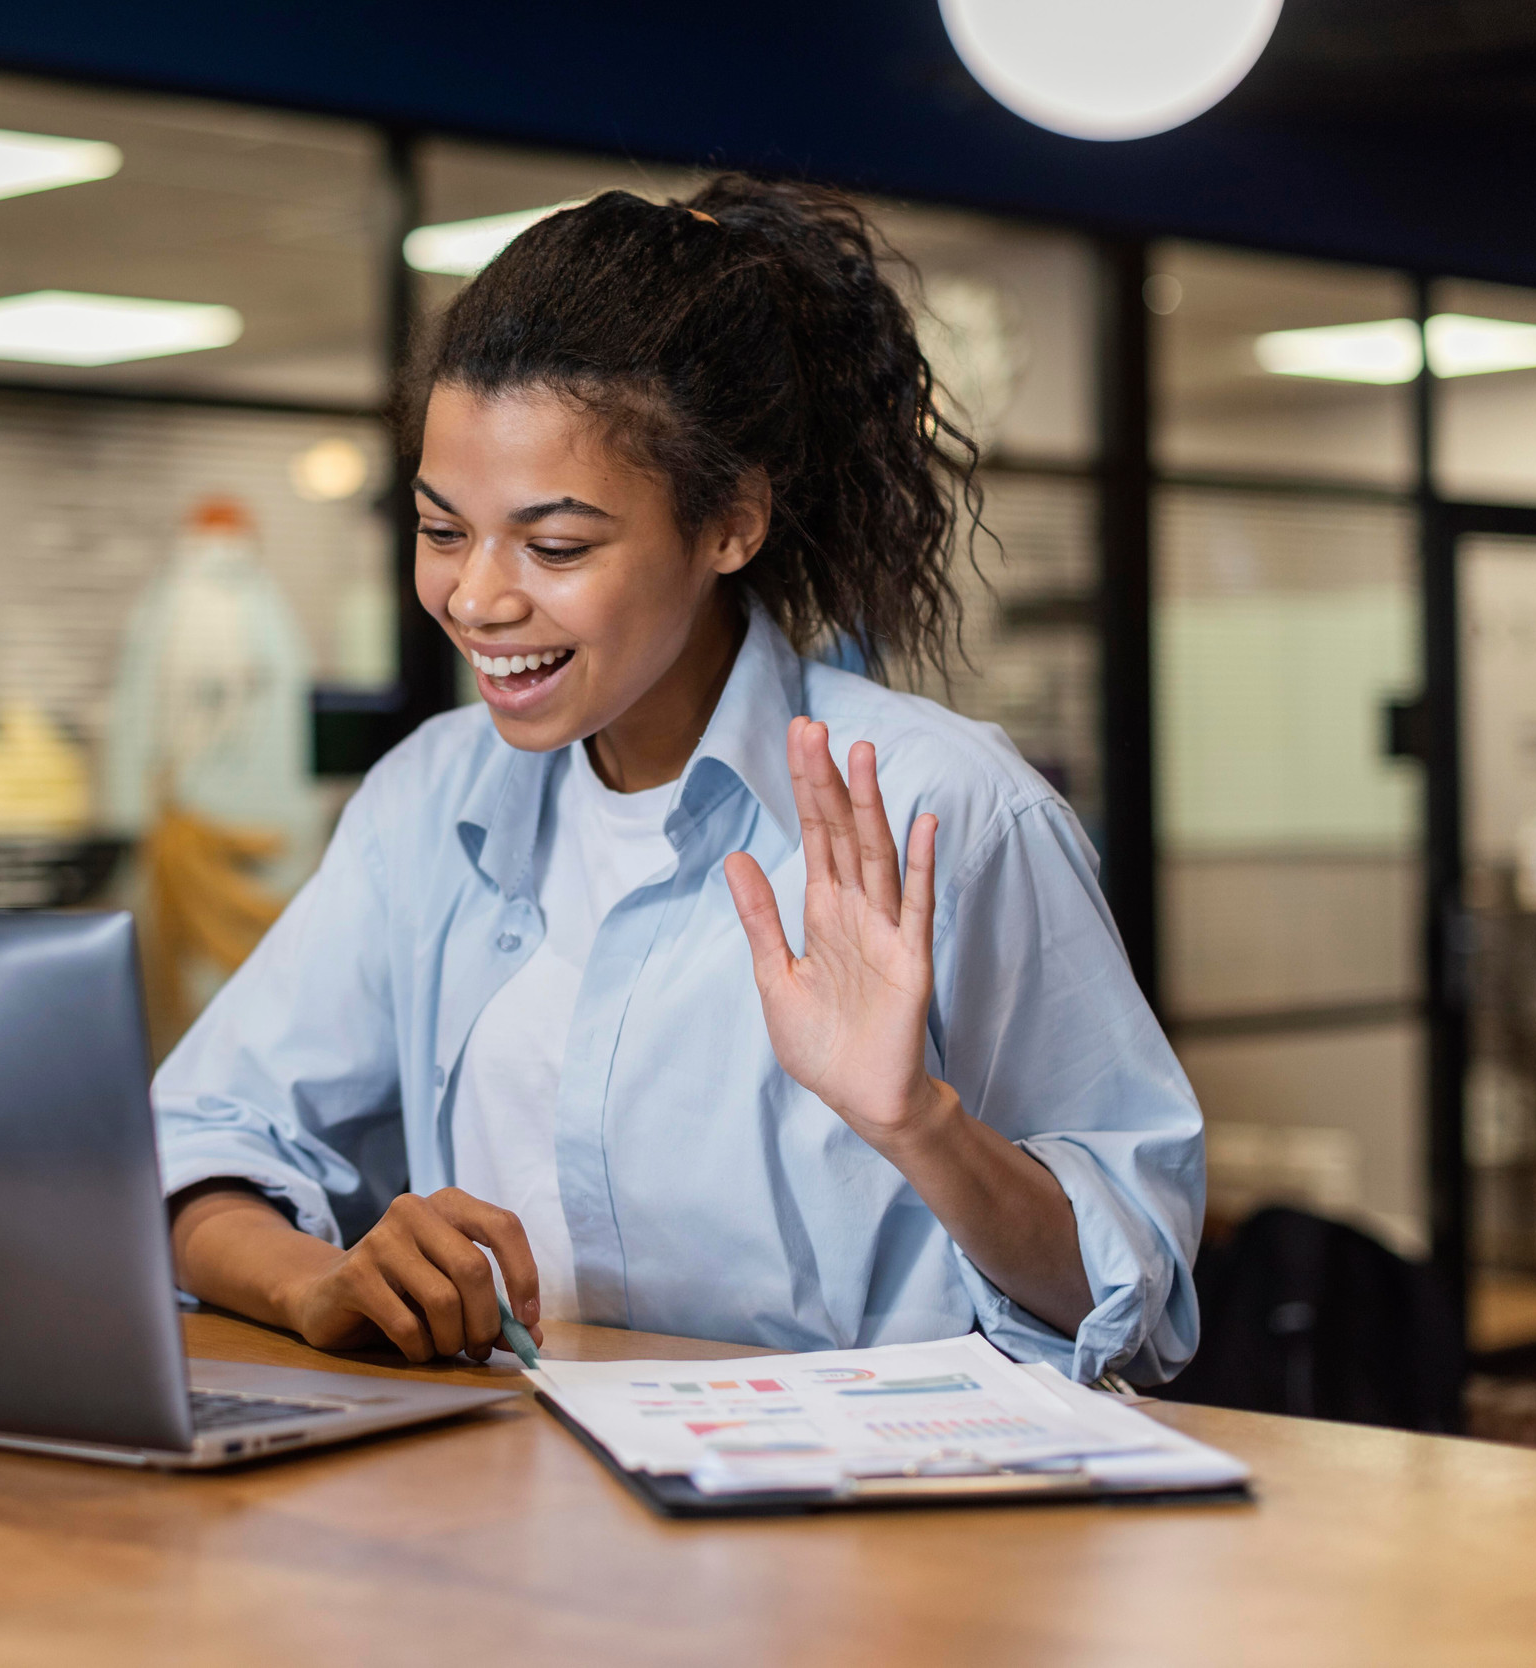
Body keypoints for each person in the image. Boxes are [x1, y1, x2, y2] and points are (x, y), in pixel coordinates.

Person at [153, 177, 1201, 1387]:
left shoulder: (942, 811)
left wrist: (922, 1125)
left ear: (730, 525)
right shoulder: (427, 803)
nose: (479, 598)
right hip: (512, 1519)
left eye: (555, 546)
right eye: (443, 531)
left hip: (870, 1546)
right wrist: (318, 1279)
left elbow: (1139, 1294)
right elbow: (197, 1143)